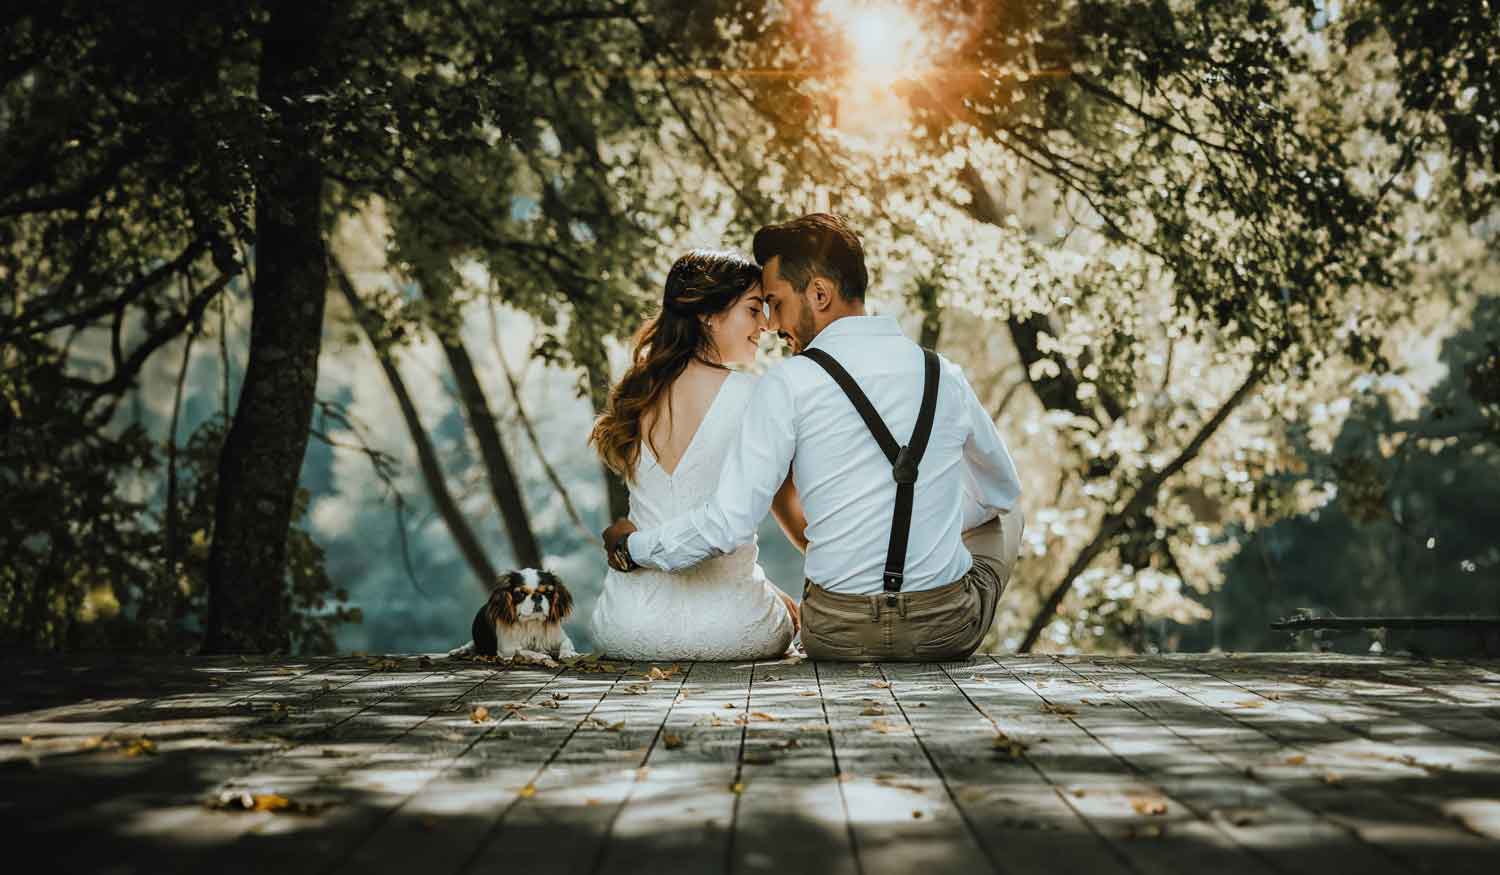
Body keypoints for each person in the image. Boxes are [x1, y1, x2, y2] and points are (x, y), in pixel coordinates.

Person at [604, 213, 1023, 661]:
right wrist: (929, 524)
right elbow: (1001, 491)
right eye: (759, 307)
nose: (772, 323)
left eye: (776, 302)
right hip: (944, 631)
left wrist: (634, 547)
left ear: (819, 294)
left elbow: (728, 522)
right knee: (1006, 514)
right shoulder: (945, 375)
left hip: (835, 634)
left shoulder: (787, 383)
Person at [586, 250, 803, 660]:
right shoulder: (757, 394)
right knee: (789, 614)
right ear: (708, 314)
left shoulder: (636, 395)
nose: (765, 325)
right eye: (753, 309)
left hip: (627, 628)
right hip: (733, 631)